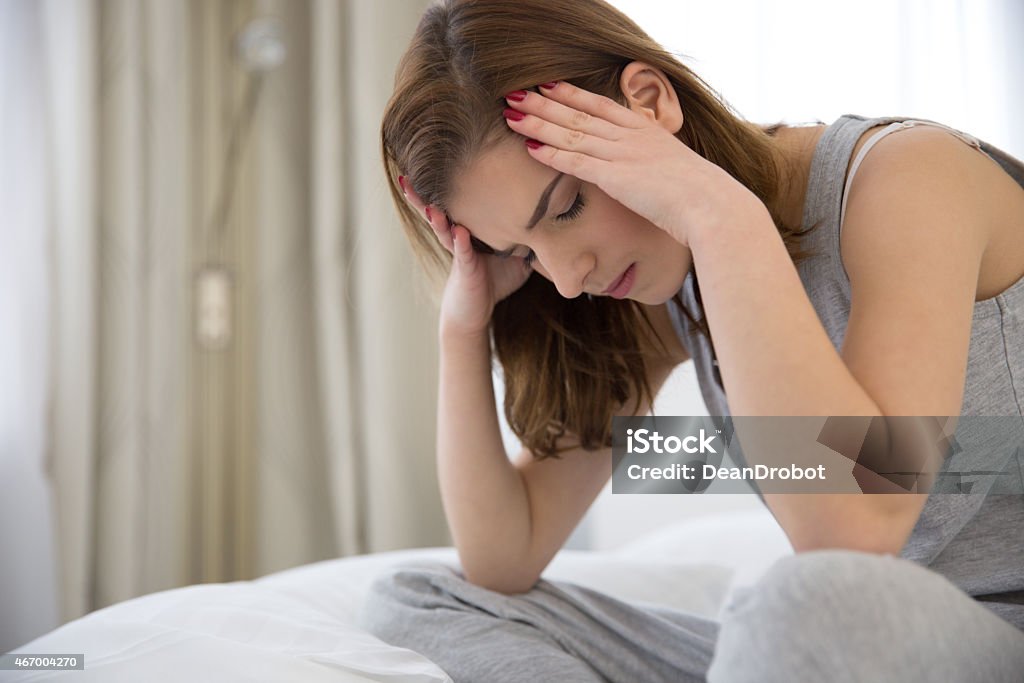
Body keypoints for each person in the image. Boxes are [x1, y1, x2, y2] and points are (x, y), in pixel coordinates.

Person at [358, 0, 1024, 680]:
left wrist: (718, 214)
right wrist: (462, 326)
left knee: (795, 602)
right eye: (523, 252)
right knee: (422, 597)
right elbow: (506, 556)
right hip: (856, 639)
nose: (564, 278)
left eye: (566, 208)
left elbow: (856, 525)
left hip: (986, 627)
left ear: (647, 101)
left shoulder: (907, 178)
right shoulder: (660, 284)